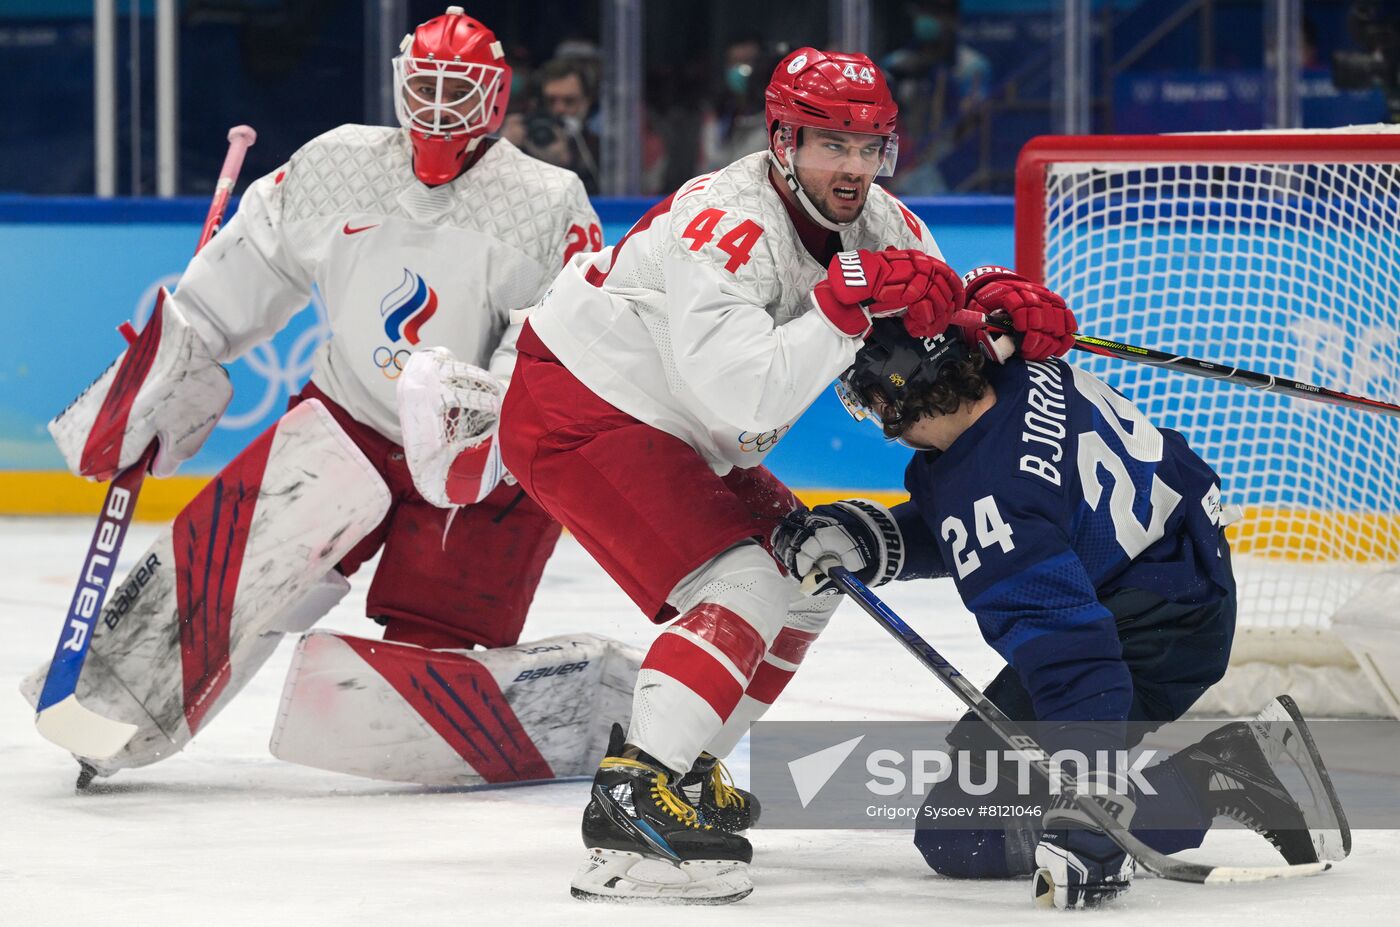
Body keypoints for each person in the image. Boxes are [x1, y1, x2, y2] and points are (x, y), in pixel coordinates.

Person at [495, 47, 1077, 903]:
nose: (852, 167)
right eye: (829, 145)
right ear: (781, 139)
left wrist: (994, 329)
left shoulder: (885, 225)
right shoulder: (723, 222)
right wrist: (845, 307)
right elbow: (737, 391)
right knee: (745, 585)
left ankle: (683, 771)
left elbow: (915, 363)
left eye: (869, 146)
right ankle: (631, 803)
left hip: (684, 430)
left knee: (811, 573)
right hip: (583, 402)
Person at [31, 6, 608, 786]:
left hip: (483, 453)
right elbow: (240, 275)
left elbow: (555, 340)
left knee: (422, 655)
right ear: (399, 84)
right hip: (348, 418)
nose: (438, 107)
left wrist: (487, 414)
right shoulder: (337, 161)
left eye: (458, 89)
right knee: (219, 579)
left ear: (496, 97)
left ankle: (488, 688)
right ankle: (116, 700)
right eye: (425, 85)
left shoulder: (548, 199)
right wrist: (166, 371)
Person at [773, 316, 1351, 908]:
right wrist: (876, 537)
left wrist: (1090, 805)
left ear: (908, 394)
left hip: (1156, 625)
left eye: (874, 400)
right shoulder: (1023, 366)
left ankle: (1221, 776)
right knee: (980, 784)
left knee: (963, 833)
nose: (877, 417)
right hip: (1176, 567)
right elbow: (1005, 511)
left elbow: (1072, 656)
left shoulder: (992, 495)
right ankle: (1217, 769)